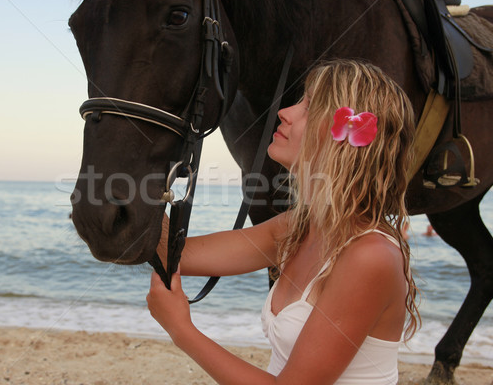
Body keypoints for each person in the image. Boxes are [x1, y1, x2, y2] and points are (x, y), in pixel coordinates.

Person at [147, 60, 420, 384]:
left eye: (308, 107)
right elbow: (175, 253)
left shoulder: (368, 255)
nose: (285, 112)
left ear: (345, 139)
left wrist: (181, 330)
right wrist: (134, 165)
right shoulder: (297, 228)